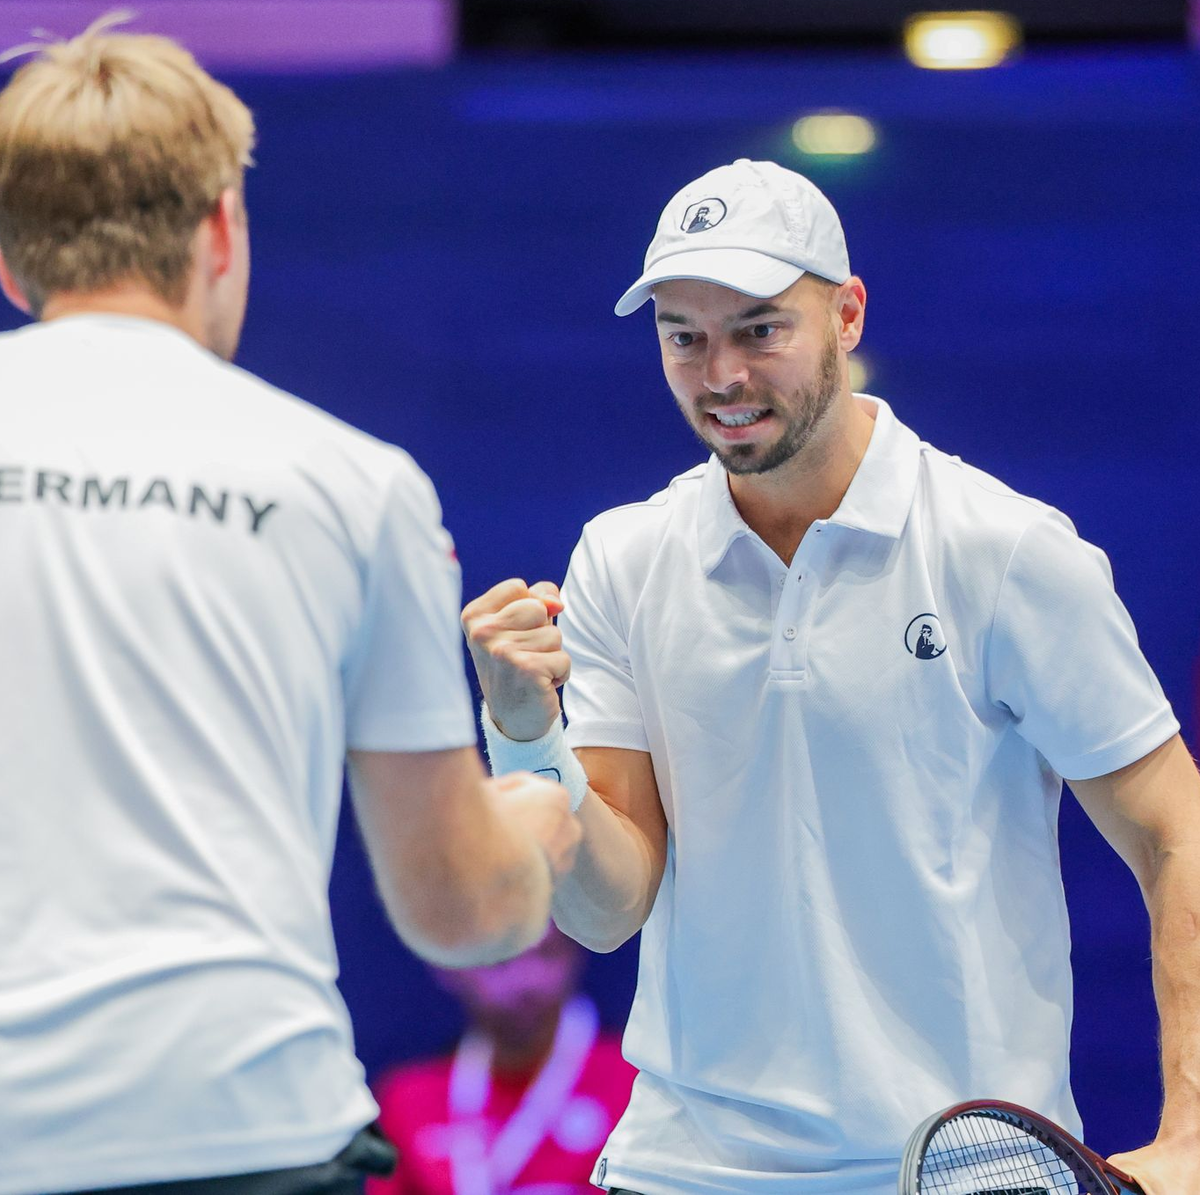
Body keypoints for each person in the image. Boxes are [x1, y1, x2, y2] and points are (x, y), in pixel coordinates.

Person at [461, 158, 1200, 1194]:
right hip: (683, 1170)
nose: (721, 374)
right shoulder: (622, 559)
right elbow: (603, 909)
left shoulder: (1004, 549)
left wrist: (1193, 1128)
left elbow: (1175, 829)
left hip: (965, 1174)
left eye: (760, 329)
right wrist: (525, 735)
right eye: (684, 337)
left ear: (848, 314)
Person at [0, 21, 579, 1195]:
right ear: (222, 226)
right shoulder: (352, 484)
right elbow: (463, 911)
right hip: (242, 1134)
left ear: (13, 263)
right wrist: (546, 800)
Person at [368, 926, 636, 1195]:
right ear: (449, 965)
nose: (527, 980)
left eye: (547, 953)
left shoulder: (634, 1082)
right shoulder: (407, 1100)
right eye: (500, 960)